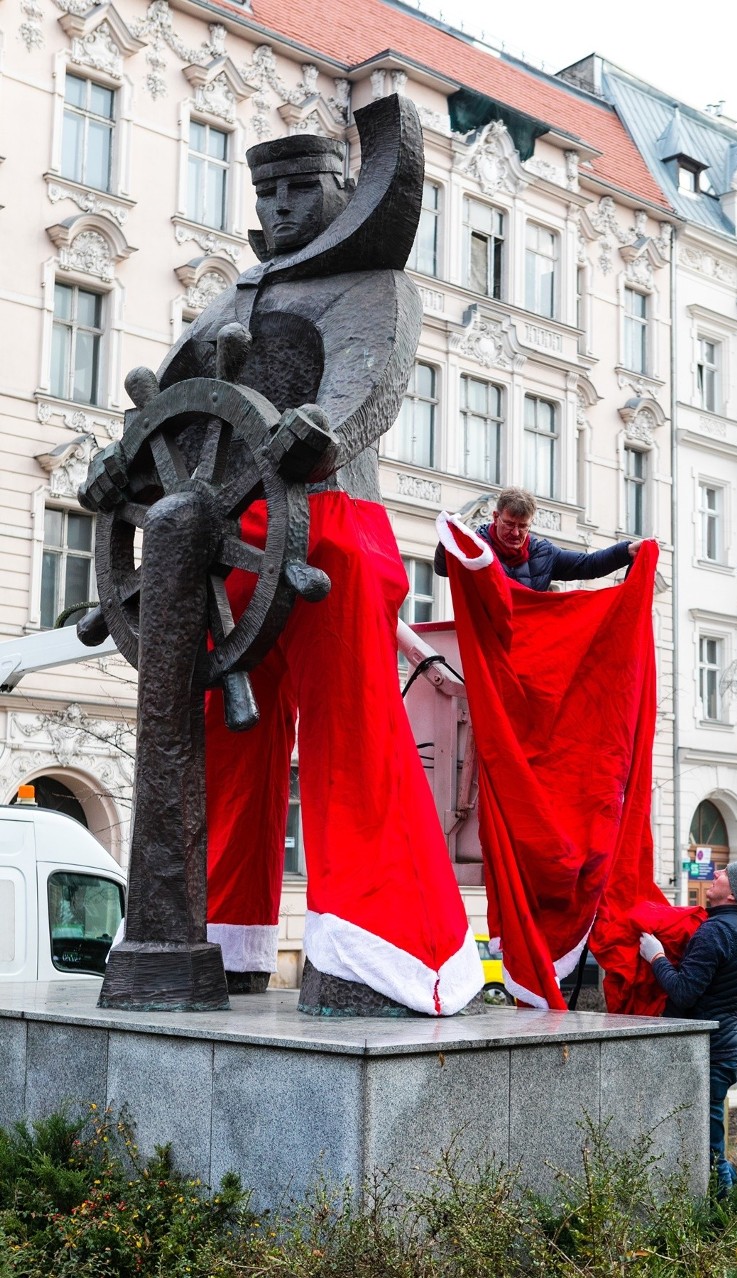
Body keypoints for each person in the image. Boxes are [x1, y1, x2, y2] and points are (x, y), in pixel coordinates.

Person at [151, 100, 483, 1014]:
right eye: (271, 192)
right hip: (226, 537)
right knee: (225, 744)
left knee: (352, 734)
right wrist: (126, 455)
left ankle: (382, 951)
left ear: (347, 195)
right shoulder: (232, 296)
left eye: (307, 186)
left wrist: (319, 432)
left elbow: (366, 387)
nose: (287, 206)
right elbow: (175, 395)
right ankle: (221, 940)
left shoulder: (375, 288)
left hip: (331, 526)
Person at [638, 860, 737, 1191]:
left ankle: (720, 1223)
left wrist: (656, 957)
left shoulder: (716, 931)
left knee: (707, 1145)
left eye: (723, 874)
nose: (715, 875)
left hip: (708, 1051)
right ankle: (733, 1204)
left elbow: (683, 992)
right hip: (725, 1046)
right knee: (710, 1134)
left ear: (732, 893)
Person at [434, 487, 645, 592]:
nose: (516, 533)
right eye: (509, 524)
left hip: (526, 645)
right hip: (484, 645)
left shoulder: (543, 552)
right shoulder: (475, 546)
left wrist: (626, 551)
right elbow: (443, 569)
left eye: (523, 526)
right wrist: (448, 540)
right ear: (496, 517)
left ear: (530, 524)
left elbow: (587, 565)